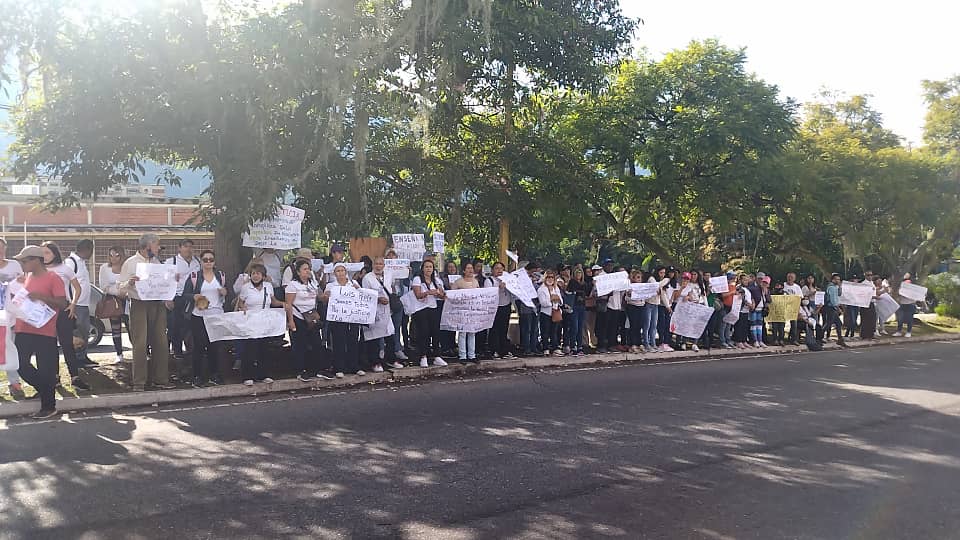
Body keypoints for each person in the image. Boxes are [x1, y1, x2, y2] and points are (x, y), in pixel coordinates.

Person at [11, 246, 68, 419]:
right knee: (19, 364)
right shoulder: (27, 277)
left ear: (36, 260)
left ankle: (48, 406)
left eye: (24, 260)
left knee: (46, 370)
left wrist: (42, 297)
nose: (22, 263)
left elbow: (63, 304)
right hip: (23, 329)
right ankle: (45, 390)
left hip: (44, 331)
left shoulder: (53, 278)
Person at [120, 233, 175, 391]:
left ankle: (161, 379)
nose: (158, 248)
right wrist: (129, 282)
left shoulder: (156, 262)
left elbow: (163, 284)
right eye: (157, 245)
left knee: (161, 342)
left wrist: (169, 293)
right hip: (139, 303)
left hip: (157, 304)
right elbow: (119, 286)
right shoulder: (130, 263)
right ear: (148, 246)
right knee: (140, 343)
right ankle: (139, 382)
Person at [41, 241, 89, 390]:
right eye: (42, 252)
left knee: (67, 345)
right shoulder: (38, 270)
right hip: (45, 312)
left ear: (55, 253)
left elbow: (77, 288)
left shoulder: (64, 268)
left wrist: (73, 304)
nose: (44, 255)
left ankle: (75, 377)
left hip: (63, 310)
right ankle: (55, 378)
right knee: (50, 346)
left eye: (47, 252)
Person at [181, 250, 227, 387]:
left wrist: (224, 292)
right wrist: (194, 296)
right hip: (199, 315)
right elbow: (185, 294)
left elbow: (225, 294)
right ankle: (197, 376)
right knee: (199, 347)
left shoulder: (220, 276)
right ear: (200, 262)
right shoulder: (195, 276)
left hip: (216, 315)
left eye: (211, 260)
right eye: (205, 260)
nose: (208, 262)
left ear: (214, 262)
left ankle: (214, 374)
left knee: (214, 346)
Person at [233, 262, 284, 385]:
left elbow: (273, 301)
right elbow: (240, 302)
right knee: (250, 349)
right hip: (251, 322)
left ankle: (263, 374)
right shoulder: (246, 287)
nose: (255, 276)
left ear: (263, 275)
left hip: (264, 321)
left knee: (264, 348)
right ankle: (247, 376)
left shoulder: (268, 286)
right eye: (253, 273)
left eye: (258, 273)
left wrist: (284, 304)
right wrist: (242, 307)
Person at [285, 258, 332, 381]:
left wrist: (327, 296)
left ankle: (318, 369)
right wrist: (291, 321)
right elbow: (288, 304)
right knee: (300, 345)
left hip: (311, 317)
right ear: (298, 272)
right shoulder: (293, 285)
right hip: (298, 317)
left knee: (316, 343)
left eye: (309, 269)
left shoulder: (312, 283)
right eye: (305, 269)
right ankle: (300, 370)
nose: (308, 271)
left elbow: (319, 296)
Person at [321, 263, 365, 378]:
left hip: (352, 318)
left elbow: (362, 297)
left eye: (342, 270)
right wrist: (327, 296)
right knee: (338, 342)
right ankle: (339, 368)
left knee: (353, 341)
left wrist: (358, 291)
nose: (340, 273)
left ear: (346, 272)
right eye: (338, 271)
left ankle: (354, 366)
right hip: (338, 318)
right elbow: (324, 300)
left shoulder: (353, 283)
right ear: (334, 273)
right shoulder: (331, 285)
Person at [361, 256, 404, 373]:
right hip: (374, 310)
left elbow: (392, 288)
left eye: (381, 264)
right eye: (376, 264)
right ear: (373, 265)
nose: (378, 266)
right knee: (374, 337)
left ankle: (391, 358)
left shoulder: (388, 275)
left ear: (384, 265)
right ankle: (375, 362)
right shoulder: (367, 278)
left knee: (390, 335)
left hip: (387, 310)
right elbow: (365, 295)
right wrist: (378, 299)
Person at [167, 239, 200, 360]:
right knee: (175, 325)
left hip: (193, 297)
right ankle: (177, 351)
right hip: (177, 297)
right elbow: (164, 281)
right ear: (179, 248)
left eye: (191, 247)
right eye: (185, 246)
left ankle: (191, 350)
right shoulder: (171, 262)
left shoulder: (198, 262)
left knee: (190, 325)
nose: (188, 249)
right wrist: (168, 299)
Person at [411, 259, 448, 367]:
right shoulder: (417, 279)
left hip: (433, 307)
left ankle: (437, 355)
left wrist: (440, 294)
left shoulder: (436, 281)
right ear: (422, 268)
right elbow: (418, 295)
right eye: (426, 267)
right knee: (424, 332)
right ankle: (423, 356)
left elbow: (442, 295)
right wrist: (429, 292)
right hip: (421, 309)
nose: (428, 269)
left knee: (436, 332)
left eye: (430, 267)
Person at [0, 238, 24, 396]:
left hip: (11, 316)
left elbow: (23, 287)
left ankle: (14, 382)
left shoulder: (15, 265)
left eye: (2, 248)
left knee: (11, 348)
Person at [99, 246, 128, 364]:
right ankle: (119, 353)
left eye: (117, 255)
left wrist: (125, 293)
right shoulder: (104, 268)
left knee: (132, 326)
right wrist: (117, 292)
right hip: (113, 300)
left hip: (128, 298)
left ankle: (141, 352)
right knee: (116, 328)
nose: (114, 258)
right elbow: (104, 286)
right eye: (111, 255)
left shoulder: (127, 267)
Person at [451, 263, 481, 363]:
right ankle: (462, 355)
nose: (470, 270)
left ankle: (472, 355)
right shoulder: (458, 282)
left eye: (471, 268)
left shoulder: (476, 281)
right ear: (464, 271)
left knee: (472, 332)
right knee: (463, 333)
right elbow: (452, 295)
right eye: (468, 268)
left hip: (473, 311)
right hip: (462, 312)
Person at [384, 248, 409, 361]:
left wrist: (408, 272)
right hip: (385, 300)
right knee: (384, 326)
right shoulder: (382, 270)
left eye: (393, 256)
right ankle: (383, 350)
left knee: (396, 326)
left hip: (397, 300)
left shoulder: (401, 270)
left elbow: (407, 284)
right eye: (389, 256)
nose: (391, 258)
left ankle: (397, 349)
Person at [537, 270, 565, 356]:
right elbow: (543, 303)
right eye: (548, 277)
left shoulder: (556, 288)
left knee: (555, 331)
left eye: (552, 277)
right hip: (546, 313)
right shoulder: (541, 289)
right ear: (545, 278)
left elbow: (561, 301)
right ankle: (546, 348)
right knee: (545, 332)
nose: (550, 279)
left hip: (555, 312)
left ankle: (555, 348)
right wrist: (552, 300)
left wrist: (556, 300)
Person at [818, 273, 846, 346]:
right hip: (831, 307)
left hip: (833, 307)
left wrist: (840, 287)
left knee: (838, 323)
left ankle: (840, 339)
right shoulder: (832, 288)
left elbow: (839, 294)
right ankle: (819, 338)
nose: (838, 281)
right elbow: (833, 300)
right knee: (828, 324)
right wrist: (838, 308)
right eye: (837, 279)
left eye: (839, 279)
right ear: (833, 280)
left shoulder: (835, 287)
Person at [565, 267, 588, 356]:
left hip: (582, 306)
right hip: (574, 306)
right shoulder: (572, 282)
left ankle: (579, 346)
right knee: (574, 327)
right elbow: (569, 293)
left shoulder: (584, 284)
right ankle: (572, 346)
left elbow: (587, 293)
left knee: (580, 327)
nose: (579, 274)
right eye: (577, 272)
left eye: (580, 272)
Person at [625, 269, 647, 354]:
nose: (639, 279)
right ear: (633, 278)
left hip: (641, 306)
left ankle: (639, 343)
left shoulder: (642, 286)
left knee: (639, 325)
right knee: (633, 325)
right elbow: (626, 298)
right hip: (632, 306)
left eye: (640, 277)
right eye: (637, 277)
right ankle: (633, 344)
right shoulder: (630, 286)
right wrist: (630, 294)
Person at [644, 267, 666, 353]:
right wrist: (666, 280)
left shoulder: (661, 281)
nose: (662, 275)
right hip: (649, 304)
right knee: (647, 325)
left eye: (664, 273)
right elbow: (657, 286)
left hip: (656, 305)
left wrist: (667, 306)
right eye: (661, 273)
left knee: (654, 325)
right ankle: (646, 343)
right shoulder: (652, 279)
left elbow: (662, 294)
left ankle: (653, 343)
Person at [893, 273, 918, 337]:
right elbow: (897, 295)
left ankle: (908, 332)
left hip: (910, 305)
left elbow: (919, 296)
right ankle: (899, 331)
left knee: (909, 319)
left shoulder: (914, 290)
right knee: (900, 319)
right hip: (902, 304)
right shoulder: (901, 288)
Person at [733, 274, 754, 349]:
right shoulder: (739, 288)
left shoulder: (747, 289)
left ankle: (744, 340)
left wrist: (752, 304)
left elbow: (750, 298)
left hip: (746, 310)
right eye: (744, 280)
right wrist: (748, 304)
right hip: (740, 309)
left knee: (745, 326)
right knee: (739, 326)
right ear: (740, 280)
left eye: (747, 280)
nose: (746, 281)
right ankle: (738, 341)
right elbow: (741, 298)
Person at [783, 272, 803, 345]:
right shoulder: (783, 285)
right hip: (784, 307)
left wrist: (798, 310)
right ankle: (781, 339)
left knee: (794, 324)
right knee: (782, 324)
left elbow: (799, 298)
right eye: (789, 277)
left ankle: (794, 339)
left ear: (794, 278)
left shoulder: (797, 287)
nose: (790, 278)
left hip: (793, 307)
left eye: (792, 277)